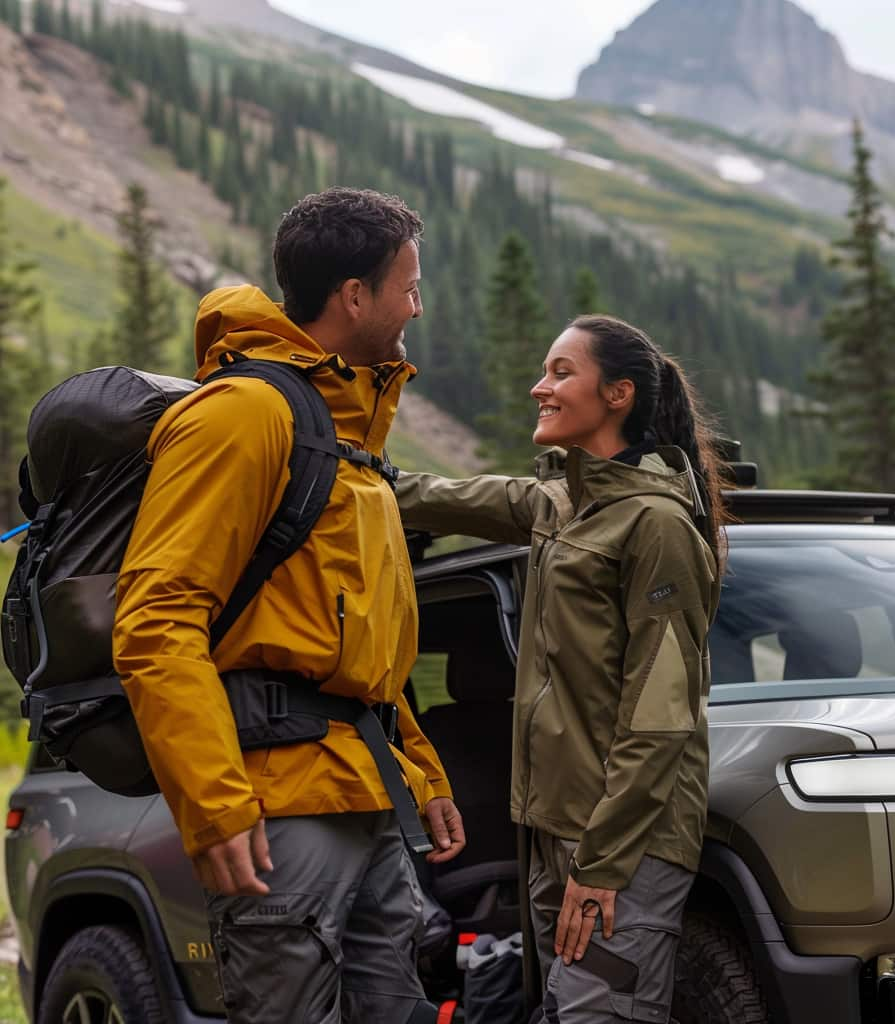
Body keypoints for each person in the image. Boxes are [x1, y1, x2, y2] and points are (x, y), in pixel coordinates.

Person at [113, 187, 465, 1024]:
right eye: (408, 288)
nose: (418, 305)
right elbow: (158, 617)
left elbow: (361, 648)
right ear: (354, 296)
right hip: (277, 805)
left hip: (367, 794)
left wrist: (420, 771)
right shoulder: (244, 415)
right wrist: (216, 805)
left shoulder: (351, 438)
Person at [396, 315, 726, 1023]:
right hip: (555, 834)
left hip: (621, 842)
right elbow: (436, 496)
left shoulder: (657, 525)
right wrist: (341, 475)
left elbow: (663, 715)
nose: (538, 386)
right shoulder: (558, 505)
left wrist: (602, 864)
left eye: (561, 372)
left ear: (618, 395)